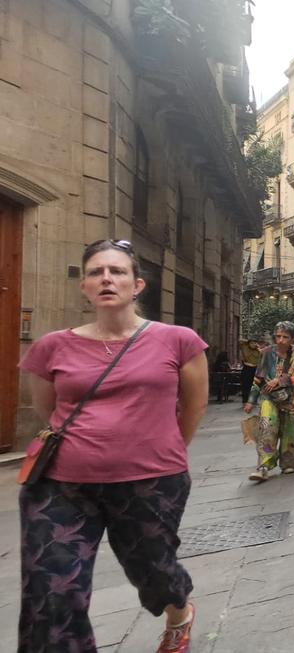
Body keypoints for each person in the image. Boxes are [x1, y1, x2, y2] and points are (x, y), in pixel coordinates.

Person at [17, 239, 207, 652]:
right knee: (50, 592)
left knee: (154, 571)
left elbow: (194, 405)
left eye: (117, 271)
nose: (106, 278)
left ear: (137, 285)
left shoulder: (179, 340)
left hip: (152, 481)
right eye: (95, 272)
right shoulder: (51, 346)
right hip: (60, 486)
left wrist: (165, 448)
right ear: (84, 286)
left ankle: (178, 611)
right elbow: (48, 411)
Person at [243, 321, 294, 481]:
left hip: (291, 398)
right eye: (278, 336)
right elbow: (258, 378)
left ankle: (289, 463)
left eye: (285, 337)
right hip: (269, 397)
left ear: (292, 338)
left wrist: (281, 380)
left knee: (289, 431)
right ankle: (264, 466)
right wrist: (251, 400)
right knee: (267, 427)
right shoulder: (267, 352)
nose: (281, 340)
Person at [238, 337, 265, 404]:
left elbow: (264, 356)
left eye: (255, 343)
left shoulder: (258, 350)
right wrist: (248, 341)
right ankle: (245, 401)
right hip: (247, 368)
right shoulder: (245, 347)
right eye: (252, 343)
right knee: (245, 385)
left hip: (255, 369)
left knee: (255, 385)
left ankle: (253, 400)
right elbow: (240, 340)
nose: (253, 344)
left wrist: (258, 347)